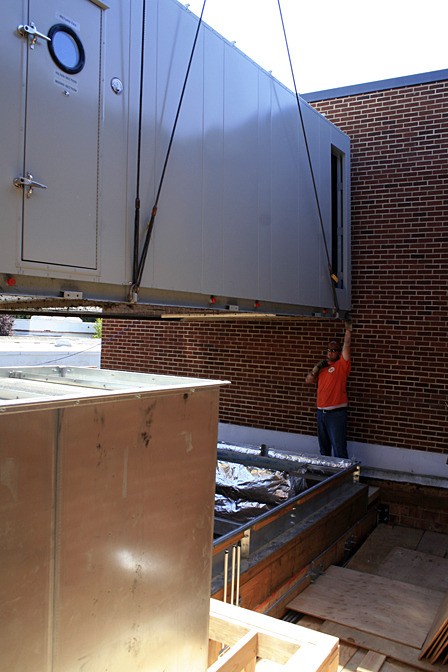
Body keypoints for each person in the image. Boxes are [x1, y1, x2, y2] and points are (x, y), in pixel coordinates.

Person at [305, 321, 352, 458]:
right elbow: (308, 380)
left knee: (339, 448)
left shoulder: (342, 365)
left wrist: (348, 330)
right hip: (321, 413)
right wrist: (317, 368)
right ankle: (326, 476)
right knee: (323, 448)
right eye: (329, 350)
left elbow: (347, 346)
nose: (331, 353)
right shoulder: (322, 367)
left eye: (334, 350)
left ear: (338, 352)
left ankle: (342, 477)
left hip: (336, 414)